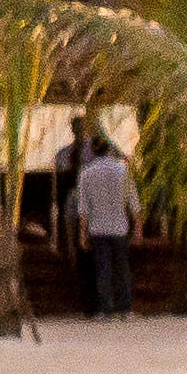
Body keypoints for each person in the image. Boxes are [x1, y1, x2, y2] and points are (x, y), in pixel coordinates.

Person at [69, 128, 139, 323]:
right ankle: (125, 309)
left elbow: (83, 207)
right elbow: (133, 201)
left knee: (103, 269)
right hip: (119, 227)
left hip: (97, 228)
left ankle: (105, 310)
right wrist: (138, 227)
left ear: (92, 151)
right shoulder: (123, 171)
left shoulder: (86, 173)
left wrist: (82, 234)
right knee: (122, 269)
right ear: (109, 150)